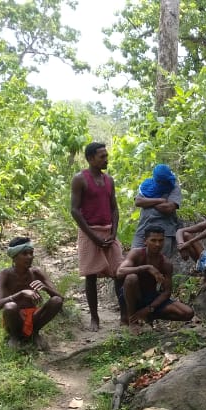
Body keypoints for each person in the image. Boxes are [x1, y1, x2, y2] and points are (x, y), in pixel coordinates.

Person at [70, 142, 124, 331]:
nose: (106, 159)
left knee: (120, 273)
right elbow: (75, 210)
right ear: (91, 159)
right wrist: (93, 236)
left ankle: (125, 315)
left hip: (108, 231)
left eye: (106, 155)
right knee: (91, 276)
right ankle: (94, 318)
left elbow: (114, 208)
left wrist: (114, 232)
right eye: (102, 156)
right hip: (89, 232)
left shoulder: (109, 180)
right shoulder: (80, 179)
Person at [117, 225, 194, 331]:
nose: (157, 244)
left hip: (151, 297)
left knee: (187, 313)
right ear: (145, 241)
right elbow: (120, 272)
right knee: (131, 278)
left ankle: (147, 316)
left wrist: (149, 309)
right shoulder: (136, 253)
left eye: (161, 240)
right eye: (153, 240)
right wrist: (147, 267)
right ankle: (132, 320)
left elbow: (166, 292)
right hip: (133, 295)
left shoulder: (166, 263)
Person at [0, 237, 64, 350]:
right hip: (15, 318)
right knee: (10, 306)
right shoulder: (5, 274)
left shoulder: (36, 272)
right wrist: (21, 293)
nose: (30, 257)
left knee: (56, 300)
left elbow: (60, 298)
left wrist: (46, 288)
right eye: (24, 254)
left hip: (34, 317)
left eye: (31, 253)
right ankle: (15, 337)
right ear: (14, 256)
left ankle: (34, 333)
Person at [132, 163, 183, 257]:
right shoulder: (147, 185)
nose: (163, 183)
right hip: (144, 228)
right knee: (135, 258)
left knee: (160, 261)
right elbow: (138, 202)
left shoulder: (174, 187)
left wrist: (147, 202)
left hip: (164, 231)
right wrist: (159, 200)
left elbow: (168, 208)